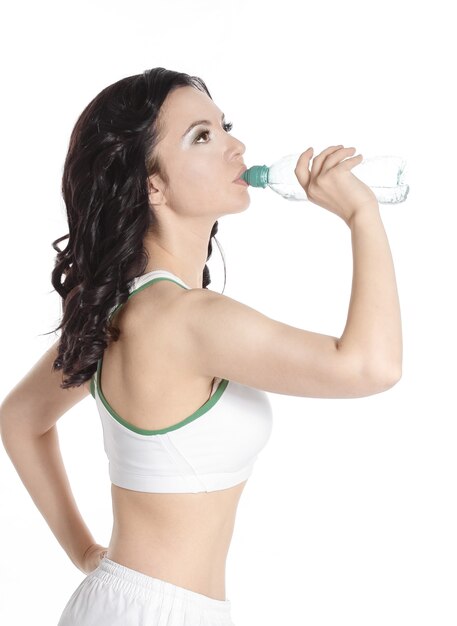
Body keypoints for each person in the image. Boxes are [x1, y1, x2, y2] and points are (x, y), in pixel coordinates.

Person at [0, 67, 402, 625]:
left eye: (224, 126)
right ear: (152, 184)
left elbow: (20, 417)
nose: (236, 147)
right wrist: (362, 215)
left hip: (135, 604)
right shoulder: (188, 320)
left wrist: (88, 555)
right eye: (202, 136)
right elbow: (371, 367)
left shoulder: (124, 309)